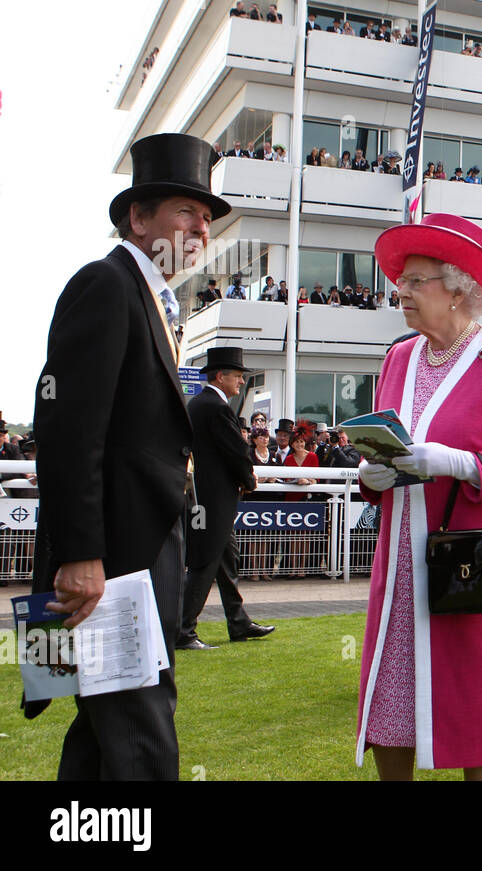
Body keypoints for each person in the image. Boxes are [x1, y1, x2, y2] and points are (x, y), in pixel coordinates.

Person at [28, 133, 230, 779]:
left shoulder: (154, 300)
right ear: (137, 218)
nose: (200, 226)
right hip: (110, 558)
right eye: (184, 211)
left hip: (141, 549)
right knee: (140, 728)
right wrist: (80, 554)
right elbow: (66, 430)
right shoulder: (106, 284)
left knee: (102, 729)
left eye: (206, 217)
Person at [353, 213, 482, 780]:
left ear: (461, 286)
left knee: (478, 708)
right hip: (399, 567)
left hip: (471, 562)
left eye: (418, 281)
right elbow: (387, 444)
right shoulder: (399, 356)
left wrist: (460, 463)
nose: (402, 290)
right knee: (390, 708)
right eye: (402, 280)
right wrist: (375, 476)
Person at [177, 347, 276, 650]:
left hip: (206, 497)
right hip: (213, 498)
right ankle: (183, 631)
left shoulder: (200, 404)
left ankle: (238, 621)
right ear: (220, 376)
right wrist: (249, 479)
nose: (241, 382)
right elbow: (236, 451)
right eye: (237, 376)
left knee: (225, 560)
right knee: (205, 563)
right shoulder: (216, 407)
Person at [281, 421, 319, 577]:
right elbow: (283, 479)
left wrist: (307, 481)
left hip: (306, 500)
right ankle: (292, 567)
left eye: (302, 442)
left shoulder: (313, 457)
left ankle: (302, 568)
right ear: (292, 443)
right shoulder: (288, 459)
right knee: (292, 536)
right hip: (291, 499)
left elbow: (317, 479)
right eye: (296, 442)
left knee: (304, 536)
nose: (299, 444)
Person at [247, 425, 279, 580]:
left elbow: (281, 472)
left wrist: (273, 478)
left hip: (269, 498)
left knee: (265, 536)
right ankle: (254, 570)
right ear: (254, 440)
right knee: (254, 536)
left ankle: (265, 569)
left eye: (266, 437)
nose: (265, 439)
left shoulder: (274, 455)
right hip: (254, 498)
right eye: (261, 437)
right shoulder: (250, 454)